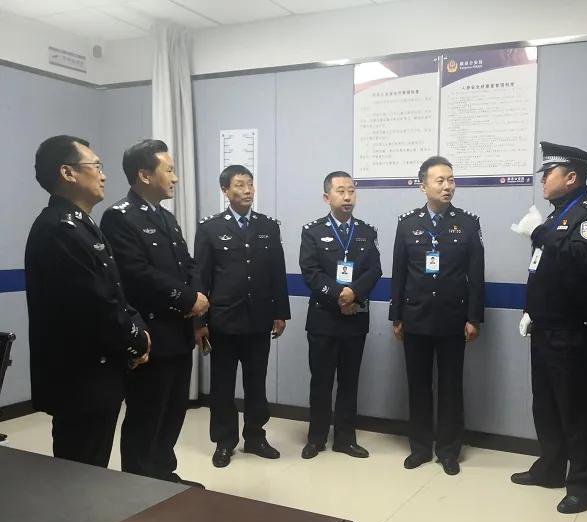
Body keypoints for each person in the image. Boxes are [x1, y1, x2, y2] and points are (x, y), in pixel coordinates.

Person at [25, 135, 150, 467]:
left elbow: (115, 292)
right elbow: (95, 306)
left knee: (92, 469)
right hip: (80, 381)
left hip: (98, 375)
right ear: (68, 173)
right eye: (96, 166)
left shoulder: (81, 225)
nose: (103, 175)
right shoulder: (59, 229)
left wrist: (137, 330)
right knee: (81, 472)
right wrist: (135, 341)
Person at [511, 142, 587, 514]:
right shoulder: (556, 216)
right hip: (545, 327)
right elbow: (543, 270)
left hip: (574, 331)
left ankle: (585, 485)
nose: (543, 180)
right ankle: (551, 468)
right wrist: (530, 310)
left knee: (578, 410)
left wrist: (540, 233)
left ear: (571, 177)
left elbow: (581, 260)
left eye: (548, 173)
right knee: (546, 405)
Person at [101, 139, 208, 486]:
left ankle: (163, 474)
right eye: (169, 170)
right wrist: (188, 299)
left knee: (173, 410)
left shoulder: (166, 217)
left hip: (179, 333)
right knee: (147, 412)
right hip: (151, 334)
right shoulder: (119, 217)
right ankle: (140, 483)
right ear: (145, 175)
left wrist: (197, 298)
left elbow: (187, 264)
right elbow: (137, 273)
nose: (175, 178)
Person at [389, 156, 485, 475]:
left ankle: (448, 450)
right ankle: (419, 448)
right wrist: (396, 317)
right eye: (440, 180)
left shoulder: (468, 223)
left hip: (453, 319)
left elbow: (476, 275)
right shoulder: (407, 223)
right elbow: (399, 273)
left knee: (450, 387)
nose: (447, 186)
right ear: (424, 186)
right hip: (415, 317)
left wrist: (474, 318)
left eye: (451, 180)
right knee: (417, 386)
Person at [194, 165, 290, 468]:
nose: (247, 190)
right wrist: (199, 322)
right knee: (222, 385)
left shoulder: (268, 226)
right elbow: (201, 278)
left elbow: (277, 272)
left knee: (256, 383)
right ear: (226, 190)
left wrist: (280, 313)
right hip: (223, 321)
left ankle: (255, 437)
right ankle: (224, 442)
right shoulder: (210, 228)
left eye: (250, 184)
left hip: (259, 319)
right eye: (239, 185)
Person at [299, 171, 381, 459]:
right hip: (323, 318)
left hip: (355, 318)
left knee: (349, 382)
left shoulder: (367, 232)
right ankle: (316, 438)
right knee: (321, 381)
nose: (347, 197)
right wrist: (338, 295)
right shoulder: (312, 231)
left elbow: (374, 270)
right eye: (341, 191)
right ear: (327, 197)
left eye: (351, 191)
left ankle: (345, 439)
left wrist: (353, 293)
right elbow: (310, 272)